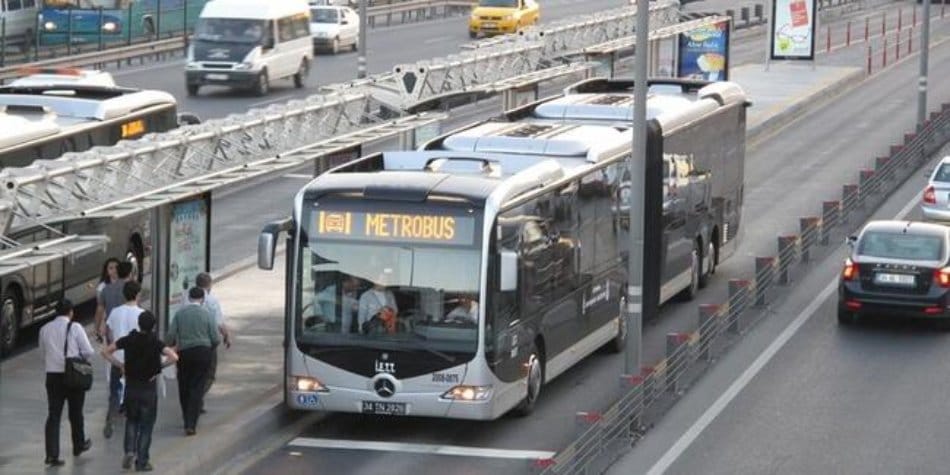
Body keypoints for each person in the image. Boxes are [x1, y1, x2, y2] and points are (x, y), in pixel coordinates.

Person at [102, 311, 178, 472]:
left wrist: (120, 365)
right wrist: (159, 368)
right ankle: (142, 461)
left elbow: (106, 351)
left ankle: (129, 450)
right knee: (146, 426)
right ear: (153, 326)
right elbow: (174, 357)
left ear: (139, 323)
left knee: (131, 421)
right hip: (148, 389)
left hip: (131, 388)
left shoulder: (129, 339)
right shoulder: (156, 342)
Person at [39, 299, 93, 467]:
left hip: (53, 376)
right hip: (73, 375)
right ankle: (78, 444)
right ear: (71, 312)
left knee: (54, 414)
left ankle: (51, 455)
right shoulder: (75, 328)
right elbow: (88, 351)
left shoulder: (44, 329)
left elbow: (42, 352)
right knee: (76, 412)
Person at [165, 287, 220, 436]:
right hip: (203, 352)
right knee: (197, 386)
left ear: (189, 298)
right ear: (202, 299)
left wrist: (170, 345)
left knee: (184, 385)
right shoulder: (207, 314)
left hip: (185, 352)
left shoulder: (180, 314)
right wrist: (210, 348)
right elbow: (215, 337)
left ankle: (186, 418)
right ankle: (191, 423)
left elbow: (170, 335)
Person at [103, 280, 145, 438]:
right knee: (134, 392)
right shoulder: (141, 314)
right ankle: (131, 420)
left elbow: (109, 332)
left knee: (115, 391)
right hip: (135, 361)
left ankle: (111, 417)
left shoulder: (115, 312)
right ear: (138, 294)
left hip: (117, 358)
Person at [195, 272, 231, 412]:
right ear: (209, 285)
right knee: (209, 373)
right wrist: (226, 336)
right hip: (207, 343)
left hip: (188, 343)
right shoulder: (211, 300)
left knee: (193, 373)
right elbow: (219, 323)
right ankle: (197, 397)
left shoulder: (186, 298)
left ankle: (196, 399)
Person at [358, 270, 399, 334]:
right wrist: (361, 330)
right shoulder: (366, 296)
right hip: (372, 332)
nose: (385, 283)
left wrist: (388, 310)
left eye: (386, 280)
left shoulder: (389, 294)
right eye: (382, 280)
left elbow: (395, 310)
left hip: (388, 331)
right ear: (375, 280)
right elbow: (361, 316)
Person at [93, 257, 120, 343]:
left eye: (116, 267)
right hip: (111, 324)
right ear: (106, 271)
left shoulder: (127, 283)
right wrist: (97, 329)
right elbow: (100, 309)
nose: (114, 270)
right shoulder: (102, 288)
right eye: (111, 268)